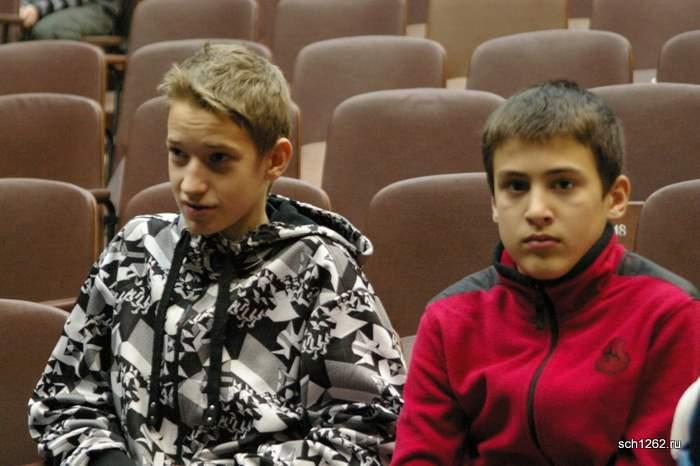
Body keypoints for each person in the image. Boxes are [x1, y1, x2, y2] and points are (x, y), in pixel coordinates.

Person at [28, 43, 405, 466]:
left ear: (274, 159)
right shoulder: (133, 250)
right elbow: (62, 399)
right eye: (178, 154)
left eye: (218, 159)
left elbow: (367, 435)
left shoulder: (321, 270)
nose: (190, 184)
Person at [392, 80, 700, 465]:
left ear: (615, 198)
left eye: (563, 184)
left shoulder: (670, 314)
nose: (537, 210)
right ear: (493, 204)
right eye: (515, 186)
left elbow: (652, 454)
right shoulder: (448, 319)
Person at [19, 0, 121, 40]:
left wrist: (39, 8)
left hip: (97, 7)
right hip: (48, 6)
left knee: (46, 31)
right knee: (13, 27)